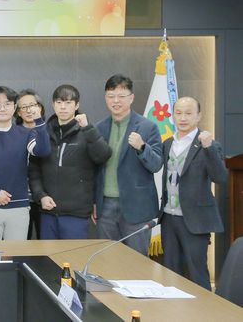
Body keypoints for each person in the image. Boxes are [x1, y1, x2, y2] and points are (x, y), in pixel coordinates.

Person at [160, 96, 227, 290]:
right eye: (178, 113)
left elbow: (220, 177)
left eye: (188, 113)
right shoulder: (167, 143)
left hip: (195, 221)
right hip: (169, 218)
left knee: (197, 274)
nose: (183, 118)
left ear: (198, 116)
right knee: (170, 273)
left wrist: (208, 148)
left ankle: (205, 309)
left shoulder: (209, 145)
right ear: (173, 116)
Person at [28, 85, 112, 239]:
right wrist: (40, 195)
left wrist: (88, 128)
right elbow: (34, 170)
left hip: (76, 214)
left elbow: (103, 156)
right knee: (48, 254)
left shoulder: (87, 130)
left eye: (68, 103)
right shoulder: (43, 131)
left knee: (73, 254)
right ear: (53, 105)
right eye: (59, 102)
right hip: (48, 211)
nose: (63, 107)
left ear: (77, 105)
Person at [0, 86, 50, 241]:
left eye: (7, 104)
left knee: (16, 253)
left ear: (14, 108)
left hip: (19, 207)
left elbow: (43, 151)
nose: (2, 108)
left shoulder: (26, 134)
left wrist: (39, 121)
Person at [95, 74, 163, 255]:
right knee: (107, 260)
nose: (115, 101)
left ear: (131, 98)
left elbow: (156, 164)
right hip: (106, 207)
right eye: (111, 96)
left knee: (137, 262)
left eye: (121, 96)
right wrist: (95, 201)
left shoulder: (148, 127)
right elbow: (94, 169)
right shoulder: (99, 128)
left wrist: (142, 147)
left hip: (137, 207)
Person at [15, 89, 46, 240]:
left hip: (44, 198)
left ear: (40, 108)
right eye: (24, 107)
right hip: (19, 199)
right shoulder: (12, 134)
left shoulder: (48, 132)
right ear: (18, 112)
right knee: (20, 245)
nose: (29, 110)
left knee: (45, 244)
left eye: (32, 105)